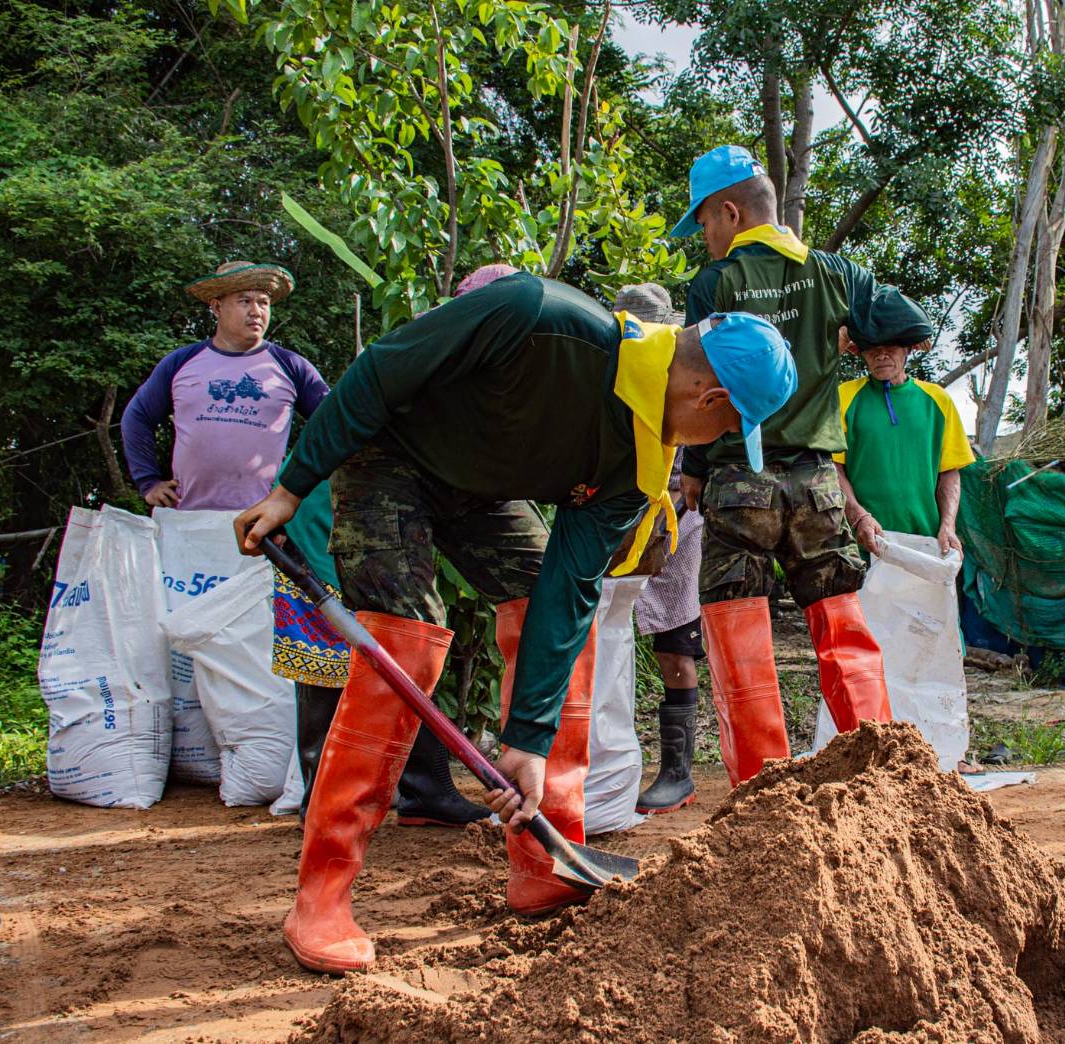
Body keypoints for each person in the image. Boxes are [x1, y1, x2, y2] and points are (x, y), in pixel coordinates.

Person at [233, 271, 795, 973]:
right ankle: (322, 897)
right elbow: (381, 370)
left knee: (549, 611)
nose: (715, 442)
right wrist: (291, 489)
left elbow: (567, 587)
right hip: (391, 459)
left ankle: (545, 856)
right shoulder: (538, 318)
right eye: (727, 428)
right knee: (404, 648)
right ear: (710, 398)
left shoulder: (640, 467)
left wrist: (527, 740)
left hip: (480, 492)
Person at [672, 144, 934, 787]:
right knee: (843, 627)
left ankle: (763, 795)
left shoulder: (714, 284)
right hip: (817, 484)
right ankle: (880, 782)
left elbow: (702, 392)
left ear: (730, 212)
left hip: (739, 482)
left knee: (742, 641)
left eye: (704, 221)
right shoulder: (829, 270)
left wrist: (696, 473)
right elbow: (911, 322)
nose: (703, 236)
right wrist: (845, 332)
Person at [271, 269, 523, 830]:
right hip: (317, 553)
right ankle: (325, 804)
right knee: (328, 678)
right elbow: (308, 497)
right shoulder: (394, 382)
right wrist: (324, 572)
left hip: (374, 547)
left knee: (410, 659)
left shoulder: (468, 389)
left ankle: (424, 789)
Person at [122, 261, 328, 510]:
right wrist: (148, 483)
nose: (256, 311)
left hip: (261, 523)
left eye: (263, 302)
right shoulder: (180, 362)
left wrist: (294, 489)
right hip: (186, 518)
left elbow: (332, 425)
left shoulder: (292, 366)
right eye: (244, 301)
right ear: (217, 307)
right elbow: (137, 417)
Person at [613, 284, 704, 815]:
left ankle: (677, 772)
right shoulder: (609, 372)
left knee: (675, 640)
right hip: (616, 519)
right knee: (602, 637)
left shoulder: (688, 371)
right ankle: (609, 756)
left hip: (677, 519)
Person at [832, 332, 975, 558]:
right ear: (858, 352)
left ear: (910, 348)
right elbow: (833, 468)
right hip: (863, 542)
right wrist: (858, 515)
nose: (881, 355)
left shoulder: (937, 399)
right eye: (872, 348)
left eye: (891, 346)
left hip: (926, 542)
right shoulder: (845, 396)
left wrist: (948, 526)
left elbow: (948, 471)